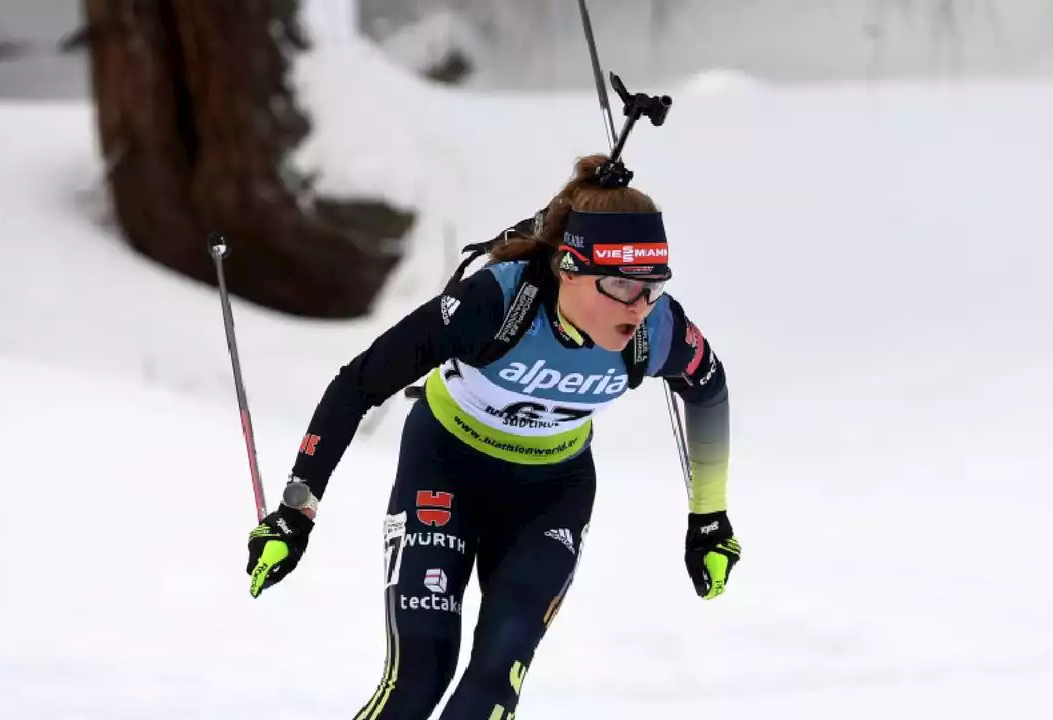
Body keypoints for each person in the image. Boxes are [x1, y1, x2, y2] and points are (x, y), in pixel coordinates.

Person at [245, 154, 741, 719]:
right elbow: (357, 384)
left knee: (492, 689)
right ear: (568, 269)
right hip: (447, 469)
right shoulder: (495, 305)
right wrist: (296, 510)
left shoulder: (657, 328)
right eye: (621, 284)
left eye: (653, 286)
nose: (639, 306)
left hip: (551, 493)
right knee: (418, 678)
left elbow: (709, 390)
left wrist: (709, 519)